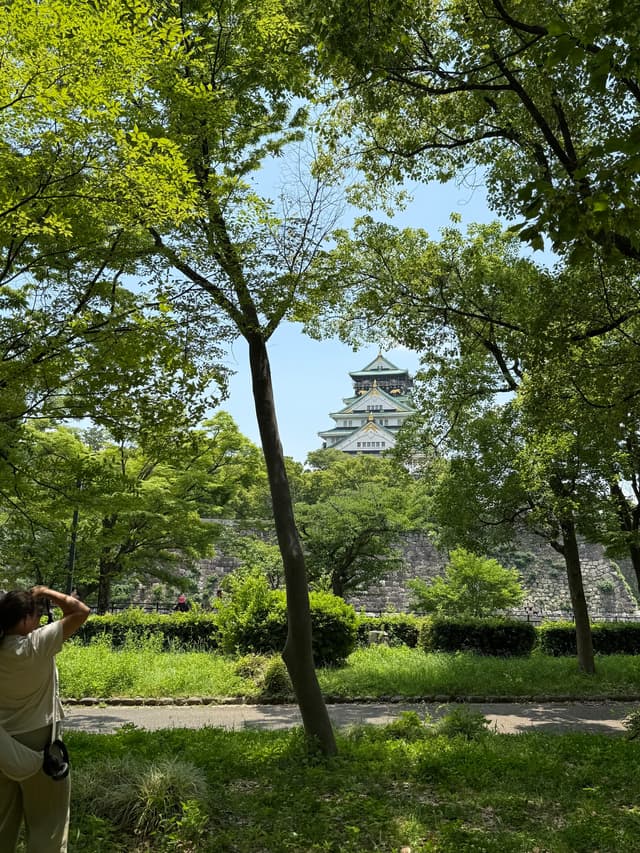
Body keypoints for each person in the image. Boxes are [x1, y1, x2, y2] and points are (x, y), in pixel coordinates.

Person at [0, 586, 90, 852]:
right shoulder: (37, 644)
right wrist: (47, 593)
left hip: (2, 745)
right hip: (39, 744)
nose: (39, 619)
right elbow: (81, 611)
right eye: (37, 614)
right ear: (26, 618)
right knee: (47, 824)